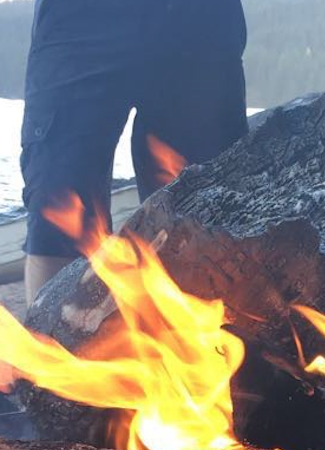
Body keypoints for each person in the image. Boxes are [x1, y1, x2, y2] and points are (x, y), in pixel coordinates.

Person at [20, 0, 249, 308]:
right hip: (78, 19)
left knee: (209, 223)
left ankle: (207, 338)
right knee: (56, 219)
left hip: (199, 18)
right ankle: (48, 339)